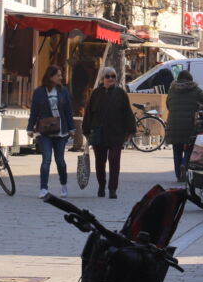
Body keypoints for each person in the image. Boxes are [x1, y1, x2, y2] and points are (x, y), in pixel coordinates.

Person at [81, 66, 135, 199]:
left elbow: (127, 112)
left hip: (116, 133)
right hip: (99, 133)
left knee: (114, 160)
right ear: (102, 78)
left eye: (113, 76)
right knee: (100, 162)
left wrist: (130, 130)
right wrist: (86, 130)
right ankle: (101, 185)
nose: (110, 79)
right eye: (107, 76)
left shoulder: (121, 94)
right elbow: (88, 113)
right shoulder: (96, 93)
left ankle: (112, 189)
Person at [165, 70, 203, 182]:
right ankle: (185, 164)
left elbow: (168, 105)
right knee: (189, 147)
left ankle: (179, 175)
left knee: (177, 150)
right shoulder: (194, 89)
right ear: (190, 79)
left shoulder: (172, 90)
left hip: (173, 125)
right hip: (189, 124)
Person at [28, 65, 74, 198]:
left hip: (61, 131)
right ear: (50, 77)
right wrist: (30, 128)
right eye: (58, 75)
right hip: (44, 131)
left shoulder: (63, 91)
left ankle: (64, 185)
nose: (61, 77)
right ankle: (43, 188)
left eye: (61, 75)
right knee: (46, 159)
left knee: (60, 160)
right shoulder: (39, 92)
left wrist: (71, 128)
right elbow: (34, 111)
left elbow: (68, 111)